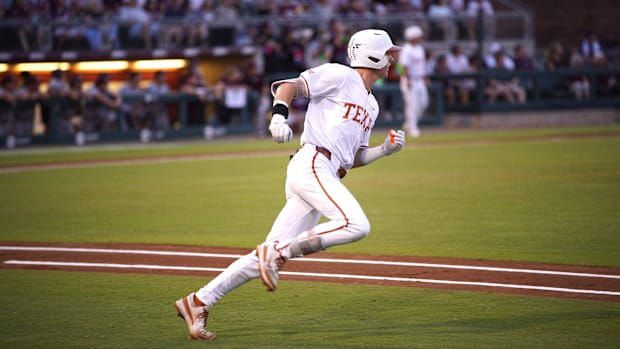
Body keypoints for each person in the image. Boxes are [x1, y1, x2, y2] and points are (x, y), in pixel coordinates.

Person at [174, 28, 406, 341]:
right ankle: (279, 252)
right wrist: (278, 118)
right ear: (373, 54)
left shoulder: (373, 104)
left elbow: (353, 158)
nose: (392, 59)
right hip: (312, 163)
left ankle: (198, 301)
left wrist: (384, 151)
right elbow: (289, 86)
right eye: (388, 52)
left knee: (262, 257)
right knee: (355, 225)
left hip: (326, 172)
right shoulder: (340, 75)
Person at [399, 25, 429, 138]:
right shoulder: (406, 49)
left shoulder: (420, 48)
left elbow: (423, 65)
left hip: (420, 79)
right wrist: (407, 79)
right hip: (410, 79)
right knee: (412, 105)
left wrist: (425, 77)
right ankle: (413, 128)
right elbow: (403, 66)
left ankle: (408, 123)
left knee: (424, 103)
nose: (420, 37)